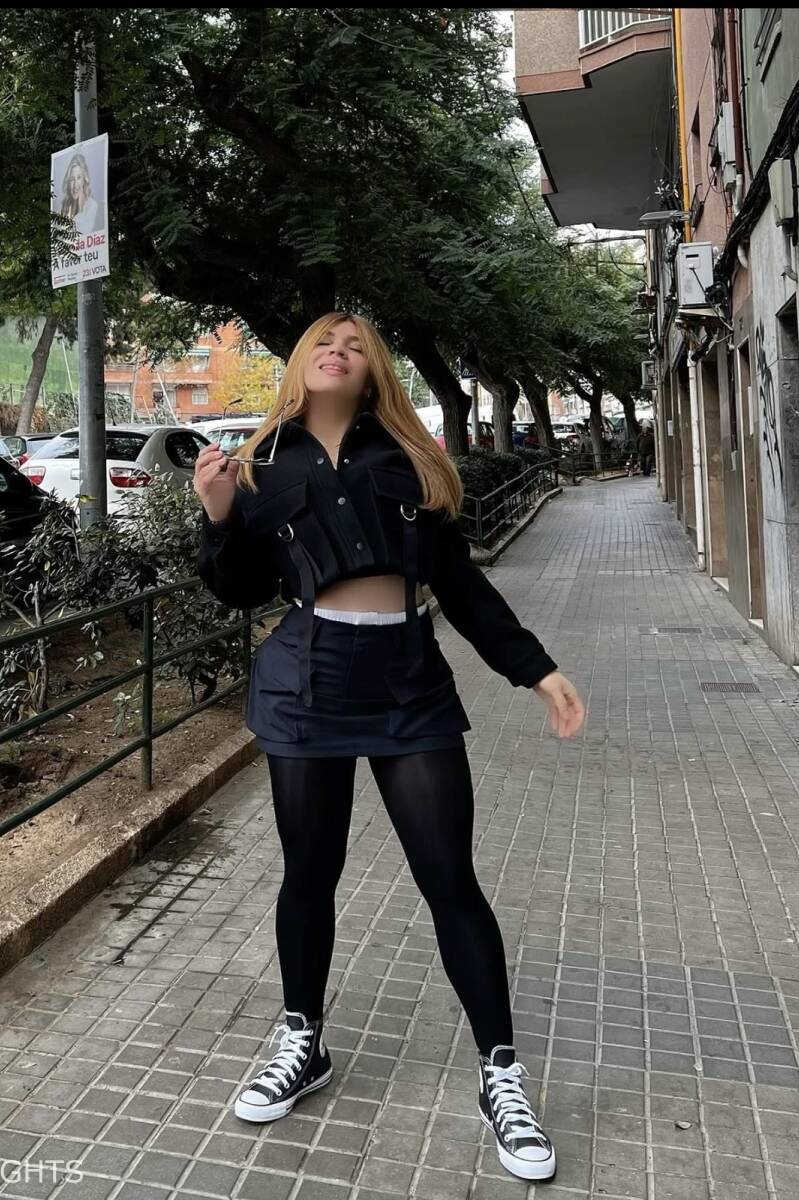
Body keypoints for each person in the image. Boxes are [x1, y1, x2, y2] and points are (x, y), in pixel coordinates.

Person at [194, 313, 586, 1184]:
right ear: (300, 362)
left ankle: (501, 1075)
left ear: (373, 370)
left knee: (449, 880)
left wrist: (535, 669)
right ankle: (303, 1042)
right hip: (304, 684)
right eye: (322, 342)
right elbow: (239, 589)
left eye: (354, 345)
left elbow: (460, 583)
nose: (336, 351)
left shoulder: (409, 460)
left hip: (409, 683)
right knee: (309, 875)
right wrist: (218, 516)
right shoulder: (259, 463)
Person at [59, 152, 101, 235]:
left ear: (84, 180)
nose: (75, 185)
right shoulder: (63, 206)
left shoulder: (92, 205)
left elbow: (85, 232)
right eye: (72, 179)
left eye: (79, 178)